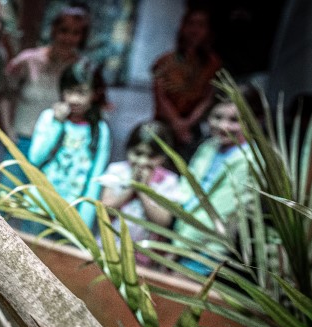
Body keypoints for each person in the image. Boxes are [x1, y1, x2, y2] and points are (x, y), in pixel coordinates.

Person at [173, 89, 257, 275]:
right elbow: (186, 187)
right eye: (217, 117)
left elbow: (223, 213)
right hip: (179, 234)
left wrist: (179, 245)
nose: (223, 126)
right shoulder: (208, 147)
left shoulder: (250, 160)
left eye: (234, 120)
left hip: (208, 248)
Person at [26, 60, 110, 231]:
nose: (74, 99)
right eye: (69, 91)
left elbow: (96, 178)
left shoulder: (100, 130)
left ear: (95, 94)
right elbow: (35, 158)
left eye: (81, 93)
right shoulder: (49, 118)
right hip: (38, 207)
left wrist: (83, 223)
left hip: (71, 214)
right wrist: (57, 124)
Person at [1, 4, 91, 157]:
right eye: (64, 30)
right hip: (21, 140)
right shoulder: (28, 60)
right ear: (54, 30)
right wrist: (7, 129)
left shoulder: (82, 68)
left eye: (76, 33)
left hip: (58, 144)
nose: (69, 38)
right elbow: (5, 94)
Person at [97, 121, 181, 267]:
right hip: (109, 247)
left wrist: (143, 190)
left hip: (143, 257)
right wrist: (131, 186)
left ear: (163, 156)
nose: (143, 161)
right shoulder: (117, 171)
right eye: (138, 153)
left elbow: (163, 221)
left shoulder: (168, 181)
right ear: (128, 149)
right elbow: (105, 207)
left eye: (151, 156)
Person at [151, 7, 222, 163]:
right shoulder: (164, 61)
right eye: (191, 24)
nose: (195, 30)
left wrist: (187, 124)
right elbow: (160, 96)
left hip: (193, 129)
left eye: (201, 25)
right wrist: (177, 124)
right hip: (165, 125)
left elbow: (209, 98)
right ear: (183, 27)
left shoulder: (214, 64)